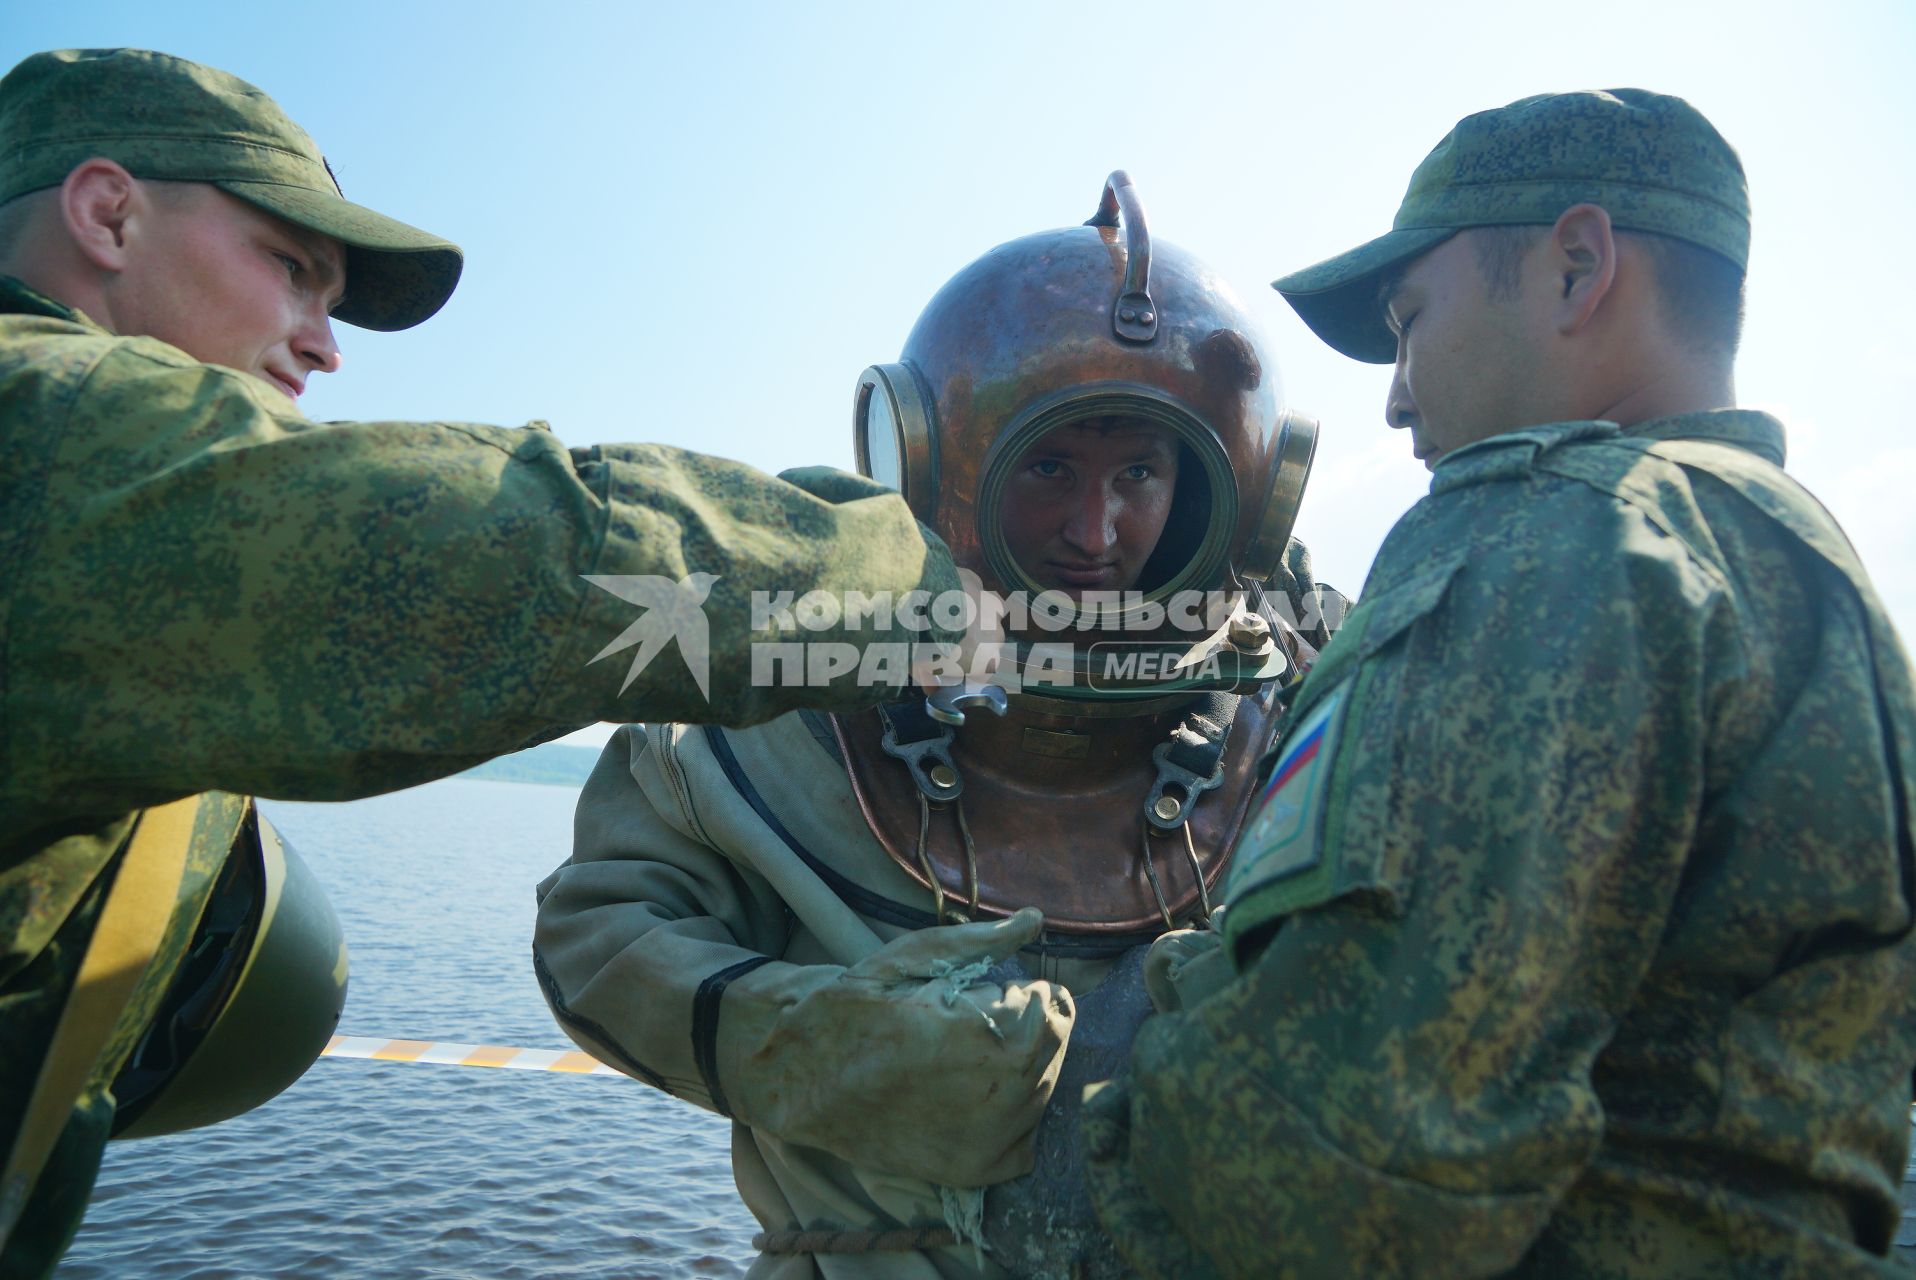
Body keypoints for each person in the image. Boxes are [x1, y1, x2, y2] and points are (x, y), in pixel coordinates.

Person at [0, 48, 963, 1278]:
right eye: (293, 272)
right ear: (106, 213)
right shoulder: (47, 438)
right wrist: (936, 588)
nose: (323, 344)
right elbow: (550, 558)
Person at [1080, 89, 1916, 1278]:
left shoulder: (1549, 532)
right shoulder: (1804, 562)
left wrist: (1064, 1134)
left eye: (1408, 319)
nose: (1395, 394)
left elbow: (1340, 1166)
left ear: (1576, 268)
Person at [533, 170, 1344, 1278]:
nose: (1092, 529)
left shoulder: (1298, 710)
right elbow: (598, 936)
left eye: (1141, 472)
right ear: (927, 458)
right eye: (1050, 465)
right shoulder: (796, 695)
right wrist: (823, 1042)